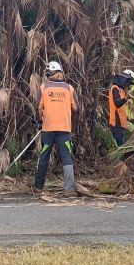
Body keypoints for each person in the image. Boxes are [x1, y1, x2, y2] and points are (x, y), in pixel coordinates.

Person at [34, 60, 79, 196]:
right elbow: (77, 108)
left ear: (48, 74)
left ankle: (38, 187)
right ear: (60, 73)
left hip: (48, 128)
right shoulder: (69, 88)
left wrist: (41, 121)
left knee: (44, 156)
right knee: (66, 157)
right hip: (64, 128)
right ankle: (69, 189)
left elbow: (39, 108)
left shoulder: (43, 88)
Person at [108, 69, 134, 146]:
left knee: (123, 148)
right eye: (129, 83)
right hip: (116, 125)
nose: (129, 86)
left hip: (121, 125)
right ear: (126, 80)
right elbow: (117, 104)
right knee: (122, 149)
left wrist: (129, 119)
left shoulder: (122, 91)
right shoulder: (115, 88)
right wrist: (126, 98)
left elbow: (120, 110)